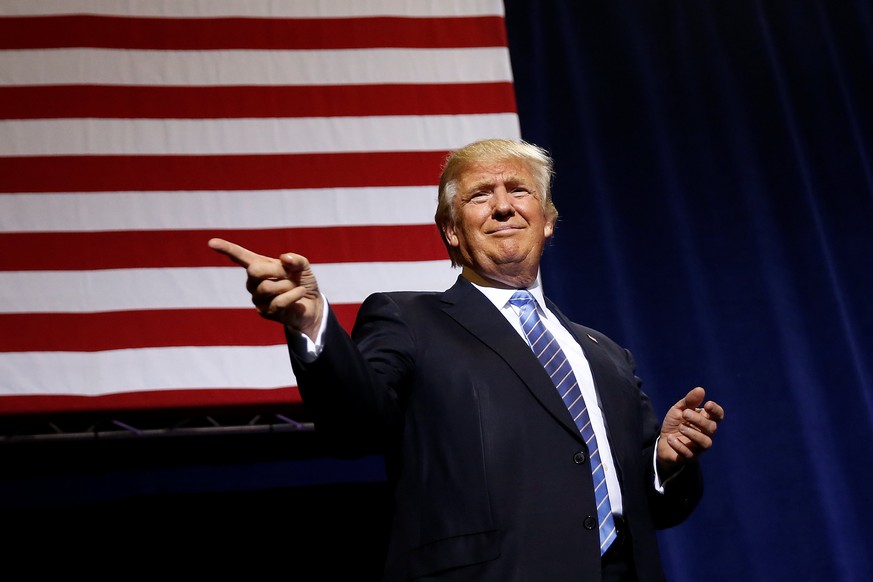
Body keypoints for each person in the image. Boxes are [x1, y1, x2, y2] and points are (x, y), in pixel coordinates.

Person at [208, 138, 724, 581]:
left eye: (518, 191)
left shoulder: (605, 353)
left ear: (547, 221)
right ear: (452, 231)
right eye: (481, 195)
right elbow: (354, 426)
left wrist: (663, 462)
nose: (503, 207)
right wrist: (312, 323)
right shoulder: (408, 318)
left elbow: (659, 507)